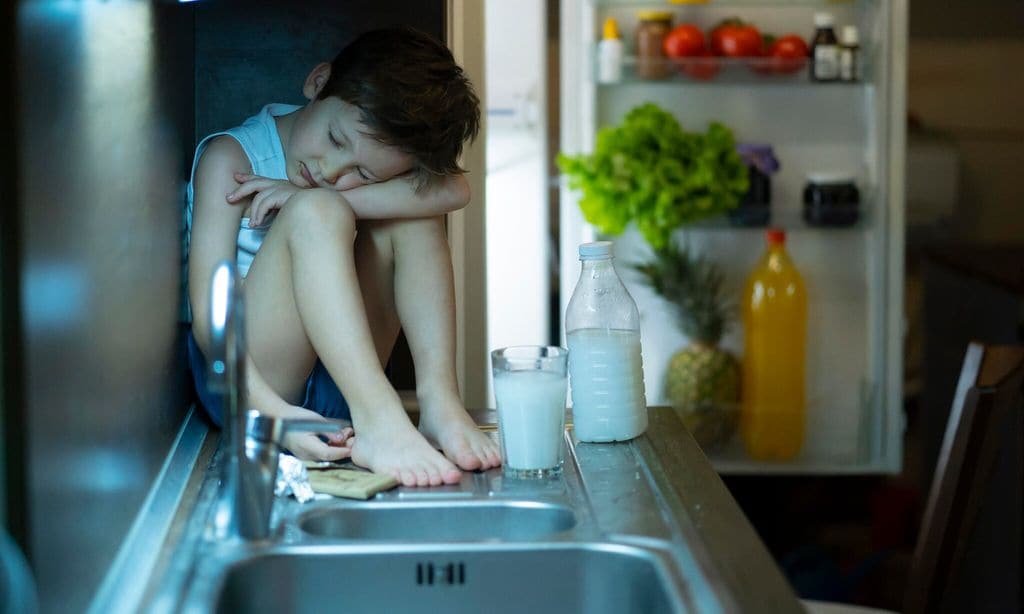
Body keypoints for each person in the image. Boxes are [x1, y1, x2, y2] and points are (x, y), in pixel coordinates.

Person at [185, 27, 500, 487]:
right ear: (318, 82)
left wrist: (307, 196)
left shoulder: (343, 177)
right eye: (335, 140)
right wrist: (276, 417)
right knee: (317, 209)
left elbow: (453, 189)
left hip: (339, 394)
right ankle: (380, 417)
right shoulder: (231, 158)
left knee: (412, 212)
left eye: (362, 172)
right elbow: (208, 321)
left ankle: (439, 401)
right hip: (250, 386)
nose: (331, 171)